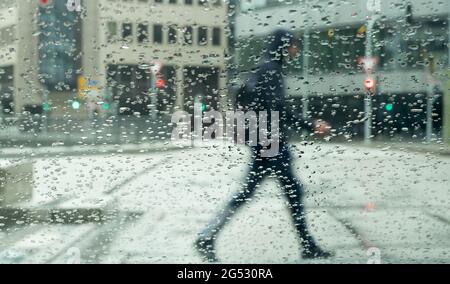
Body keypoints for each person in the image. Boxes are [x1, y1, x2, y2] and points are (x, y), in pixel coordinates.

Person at [195, 29, 333, 262]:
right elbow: (277, 109)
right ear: (283, 46)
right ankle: (207, 236)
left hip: (264, 139)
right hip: (270, 141)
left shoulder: (265, 68)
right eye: (293, 45)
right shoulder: (271, 71)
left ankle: (208, 236)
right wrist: (311, 124)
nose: (296, 50)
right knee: (290, 191)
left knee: (271, 191)